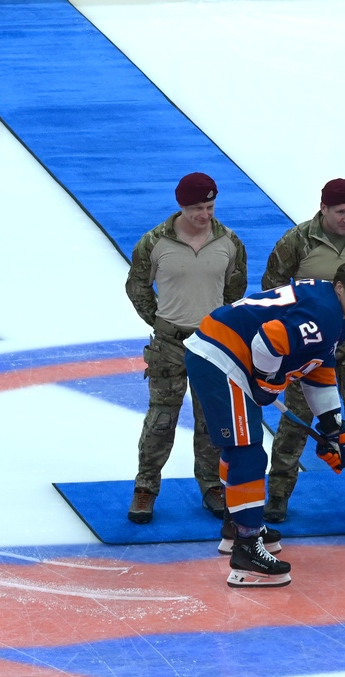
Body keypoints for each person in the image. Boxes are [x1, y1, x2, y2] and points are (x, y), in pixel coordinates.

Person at [184, 258, 345, 587]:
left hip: (220, 351)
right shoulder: (326, 314)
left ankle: (238, 528)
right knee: (247, 451)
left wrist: (334, 428)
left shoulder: (335, 317)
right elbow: (268, 340)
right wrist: (267, 380)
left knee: (241, 450)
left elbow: (317, 369)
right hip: (220, 356)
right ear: (340, 287)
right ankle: (246, 549)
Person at [260, 178, 345, 523]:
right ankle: (278, 494)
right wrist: (303, 319)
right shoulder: (297, 240)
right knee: (297, 418)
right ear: (323, 208)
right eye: (340, 212)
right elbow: (272, 285)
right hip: (307, 344)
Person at [125, 172, 247, 524]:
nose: (204, 214)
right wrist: (161, 322)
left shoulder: (230, 242)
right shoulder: (154, 243)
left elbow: (234, 291)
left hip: (211, 346)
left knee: (211, 420)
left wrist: (216, 327)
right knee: (161, 419)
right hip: (168, 345)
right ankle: (146, 485)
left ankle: (211, 485)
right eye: (197, 208)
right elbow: (137, 287)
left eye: (209, 206)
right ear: (181, 206)